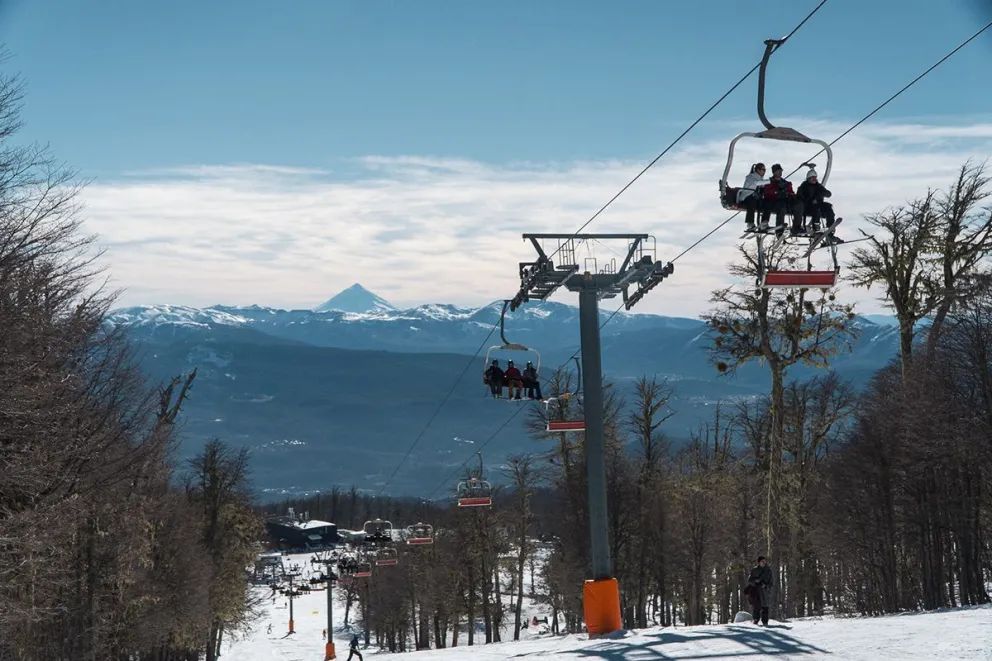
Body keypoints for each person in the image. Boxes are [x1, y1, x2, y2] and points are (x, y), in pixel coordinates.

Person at [761, 164, 801, 236]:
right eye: (778, 171)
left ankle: (796, 226)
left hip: (785, 202)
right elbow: (767, 192)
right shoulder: (769, 182)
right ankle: (779, 231)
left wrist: (789, 194)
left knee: (798, 205)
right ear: (774, 172)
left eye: (780, 171)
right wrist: (777, 192)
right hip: (773, 202)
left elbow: (791, 192)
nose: (780, 172)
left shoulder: (786, 183)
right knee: (781, 207)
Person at [796, 166, 837, 234]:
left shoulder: (818, 186)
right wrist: (809, 200)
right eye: (813, 178)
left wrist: (820, 194)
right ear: (809, 178)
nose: (814, 179)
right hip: (808, 206)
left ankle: (830, 226)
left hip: (818, 204)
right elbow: (799, 196)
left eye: (815, 177)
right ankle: (816, 225)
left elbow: (828, 194)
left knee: (828, 207)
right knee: (816, 208)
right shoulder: (804, 186)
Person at [738, 162, 769, 231]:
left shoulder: (761, 179)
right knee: (752, 200)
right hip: (747, 197)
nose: (764, 172)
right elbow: (757, 183)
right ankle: (750, 223)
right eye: (763, 170)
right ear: (758, 170)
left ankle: (764, 222)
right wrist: (769, 181)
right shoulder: (751, 177)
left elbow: (762, 185)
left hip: (756, 198)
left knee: (767, 203)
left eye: (765, 170)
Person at [747, 556, 773, 626]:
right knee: (756, 606)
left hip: (765, 591)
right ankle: (756, 619)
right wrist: (755, 581)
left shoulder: (768, 571)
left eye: (765, 561)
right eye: (762, 561)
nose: (764, 563)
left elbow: (771, 583)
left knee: (765, 607)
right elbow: (750, 580)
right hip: (756, 591)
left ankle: (765, 621)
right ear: (759, 562)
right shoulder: (754, 570)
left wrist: (766, 585)